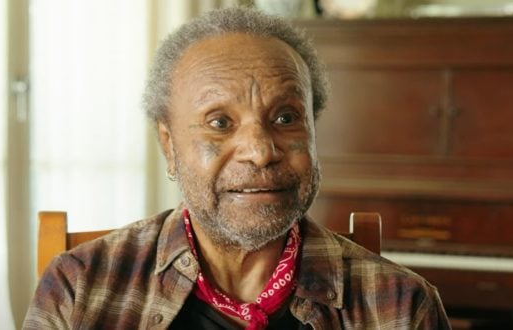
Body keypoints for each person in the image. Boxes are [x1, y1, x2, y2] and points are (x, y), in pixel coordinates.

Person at [24, 7, 450, 330]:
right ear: (169, 145)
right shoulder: (78, 288)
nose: (260, 152)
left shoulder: (400, 308)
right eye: (219, 123)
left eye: (285, 118)